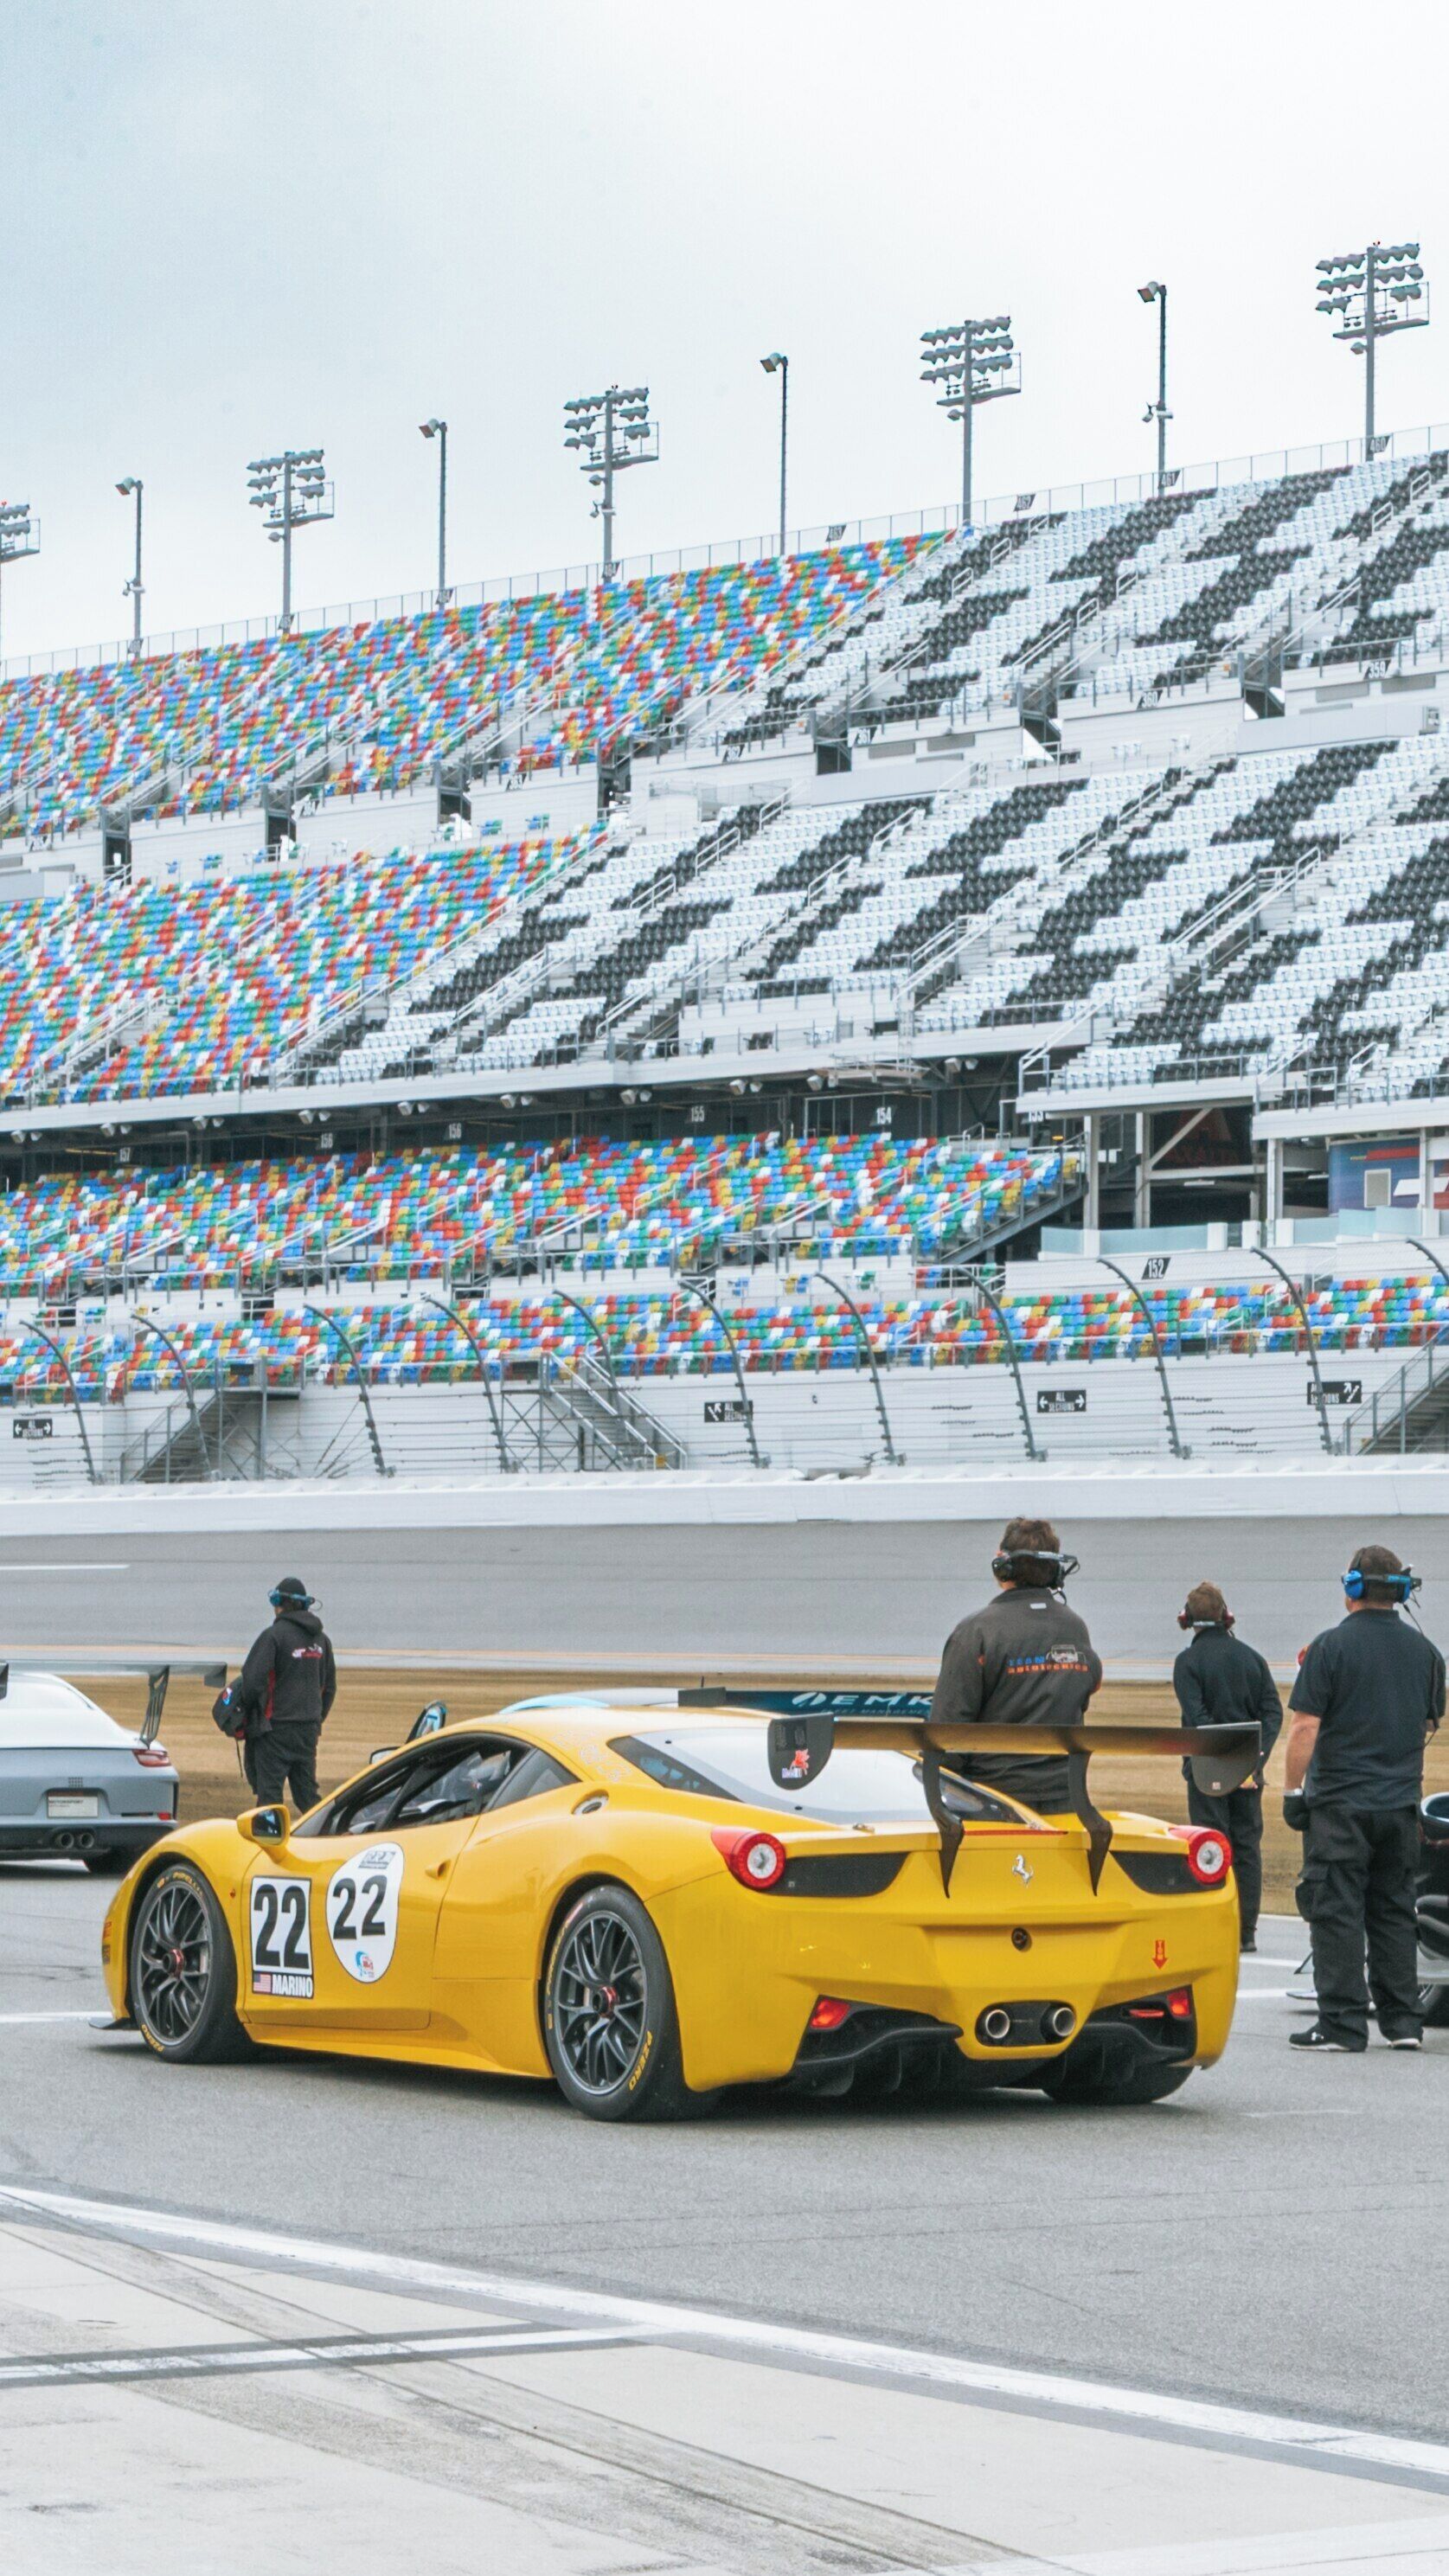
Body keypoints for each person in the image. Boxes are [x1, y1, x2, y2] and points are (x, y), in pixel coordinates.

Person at [1284, 1543, 1444, 2054]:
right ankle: (1403, 2023)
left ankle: (1342, 2024)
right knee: (1395, 1911)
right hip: (1399, 1806)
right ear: (1398, 1592)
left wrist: (1293, 1790)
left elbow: (1305, 1726)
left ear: (1352, 1587)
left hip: (1340, 1805)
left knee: (1337, 1910)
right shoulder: (1427, 1653)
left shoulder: (1329, 1647)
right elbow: (1428, 1721)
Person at [930, 1516, 1102, 1812]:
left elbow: (948, 1730)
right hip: (1066, 1797)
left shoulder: (976, 1631)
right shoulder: (1075, 1627)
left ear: (1002, 1565)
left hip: (992, 1800)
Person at [1172, 1581, 1283, 1954]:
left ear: (1187, 1620)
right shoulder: (1253, 1659)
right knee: (1247, 1846)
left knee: (1209, 1846)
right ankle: (1245, 1930)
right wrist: (1257, 1757)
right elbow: (1272, 1712)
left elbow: (1197, 1716)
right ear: (1226, 1617)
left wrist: (1213, 1757)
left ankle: (1215, 1924)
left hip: (1206, 1771)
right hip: (1249, 1770)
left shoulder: (1187, 1663)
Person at [239, 1575, 337, 1813]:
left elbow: (251, 1682)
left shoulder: (273, 1637)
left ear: (280, 1604)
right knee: (307, 1797)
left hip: (275, 1731)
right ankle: (327, 1837)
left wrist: (252, 1717)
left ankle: (267, 1845)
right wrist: (315, 1718)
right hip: (307, 1730)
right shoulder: (322, 1641)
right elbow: (329, 1688)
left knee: (269, 1800)